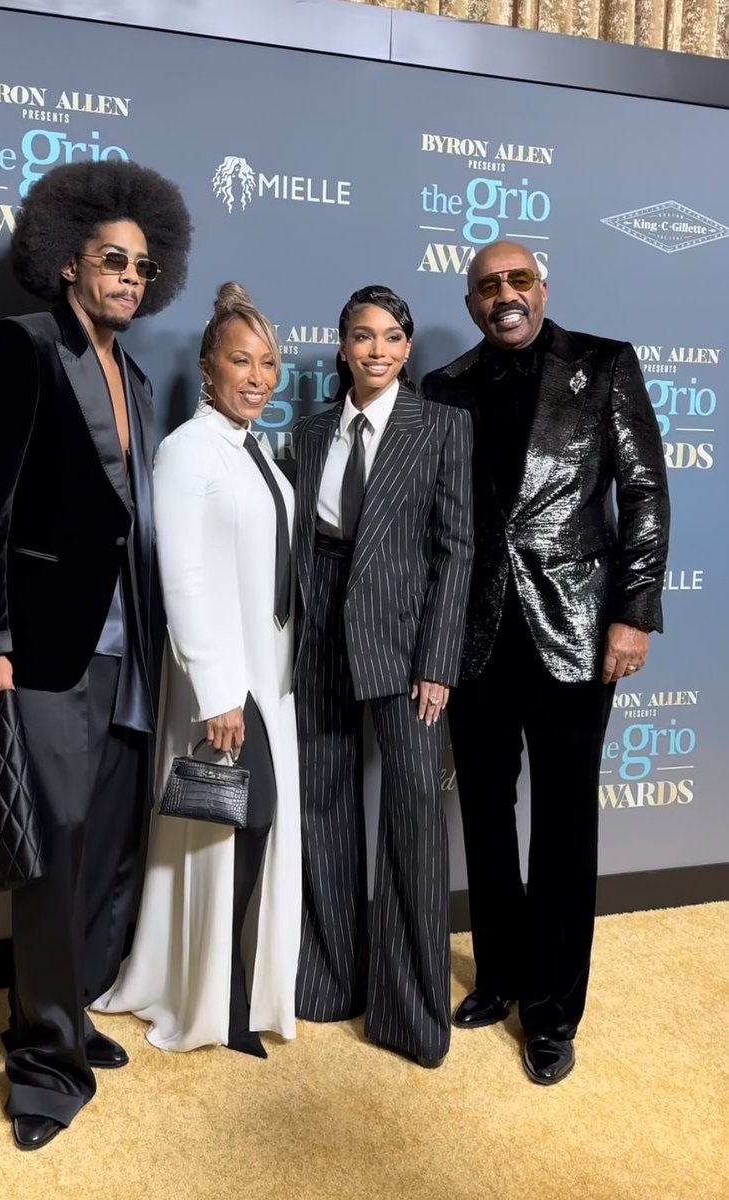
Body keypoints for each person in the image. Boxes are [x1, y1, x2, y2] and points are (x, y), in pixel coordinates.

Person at [0, 160, 191, 1149]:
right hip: (44, 650)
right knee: (51, 853)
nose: (129, 279)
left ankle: (69, 1012)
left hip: (123, 649)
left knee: (102, 841)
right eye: (114, 261)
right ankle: (42, 1064)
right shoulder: (21, 348)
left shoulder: (136, 373)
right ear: (68, 264)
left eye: (143, 267)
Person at [421, 240, 670, 1084]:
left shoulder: (602, 365)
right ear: (471, 302)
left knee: (564, 824)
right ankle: (499, 977)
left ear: (542, 287)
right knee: (485, 816)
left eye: (517, 280)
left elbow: (642, 494)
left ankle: (553, 1011)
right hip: (476, 635)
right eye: (488, 286)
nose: (505, 296)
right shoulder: (443, 389)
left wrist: (633, 615)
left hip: (574, 628)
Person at [95, 284, 301, 1060]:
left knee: (249, 830)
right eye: (239, 361)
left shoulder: (257, 451)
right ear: (207, 367)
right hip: (222, 683)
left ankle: (240, 988)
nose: (257, 377)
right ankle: (216, 1001)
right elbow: (179, 576)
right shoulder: (186, 450)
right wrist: (219, 689)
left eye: (268, 363)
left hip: (267, 678)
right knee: (230, 828)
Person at [293, 285, 473, 1068]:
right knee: (323, 810)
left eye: (391, 337)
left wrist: (437, 662)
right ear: (340, 347)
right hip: (319, 636)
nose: (376, 350)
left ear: (406, 349)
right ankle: (329, 983)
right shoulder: (305, 435)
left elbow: (456, 550)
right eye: (360, 336)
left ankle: (410, 1015)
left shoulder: (441, 426)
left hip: (405, 650)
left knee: (412, 825)